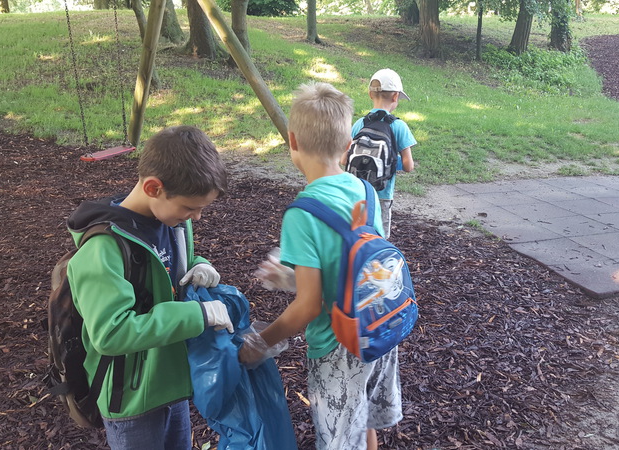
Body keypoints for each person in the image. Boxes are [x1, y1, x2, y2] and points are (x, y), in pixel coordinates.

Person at [239, 82, 403, 450]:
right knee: (361, 422)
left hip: (337, 346)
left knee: (340, 439)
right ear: (348, 145)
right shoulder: (365, 192)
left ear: (292, 141)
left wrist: (260, 343)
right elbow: (351, 266)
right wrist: (291, 277)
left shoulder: (302, 214)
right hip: (377, 330)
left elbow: (309, 307)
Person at [66, 125, 235, 450]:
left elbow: (172, 266)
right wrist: (198, 315)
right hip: (131, 399)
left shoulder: (173, 221)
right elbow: (111, 333)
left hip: (172, 382)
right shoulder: (102, 249)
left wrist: (200, 264)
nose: (197, 217)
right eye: (190, 208)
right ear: (153, 188)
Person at [342, 68, 417, 239]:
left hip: (358, 192)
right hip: (382, 194)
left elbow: (343, 159)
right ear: (395, 96)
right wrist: (390, 160)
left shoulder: (360, 124)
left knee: (357, 234)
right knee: (378, 238)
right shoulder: (399, 126)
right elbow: (408, 166)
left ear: (370, 94)